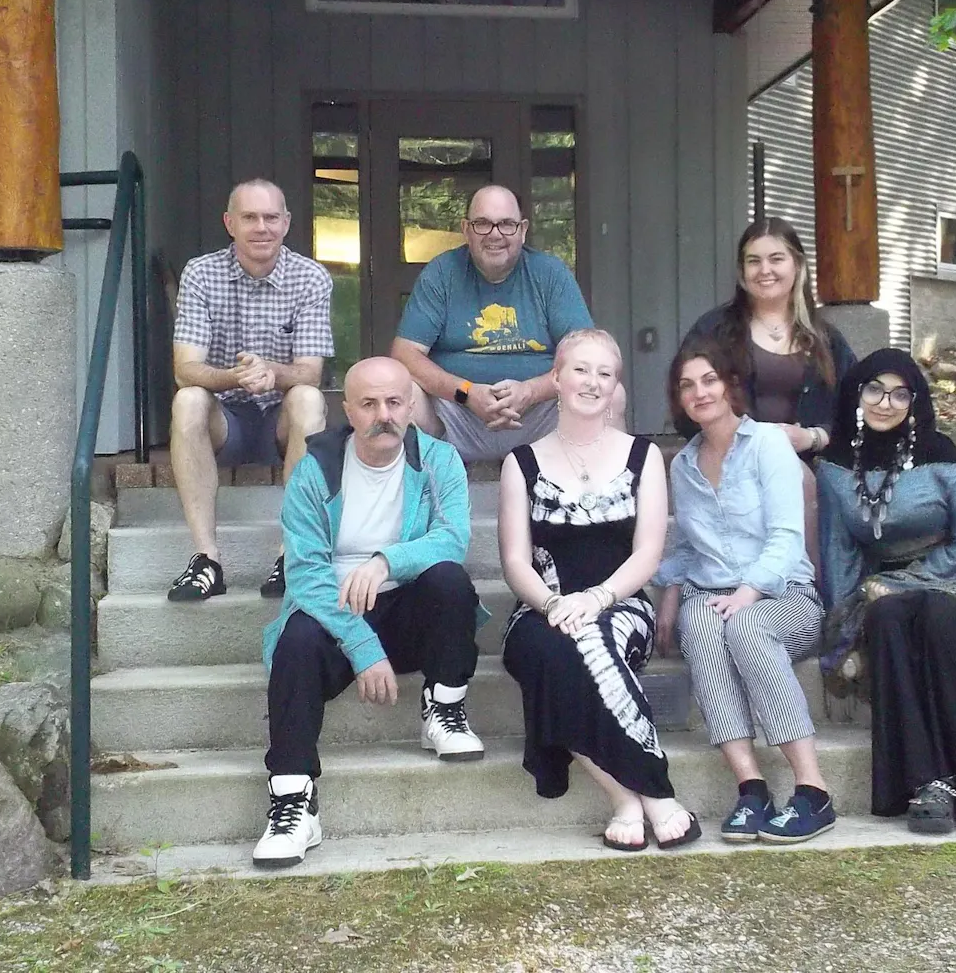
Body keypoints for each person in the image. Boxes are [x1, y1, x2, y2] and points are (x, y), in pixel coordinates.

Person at [252, 357, 485, 868]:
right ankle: (293, 800)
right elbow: (307, 574)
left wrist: (385, 563)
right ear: (348, 411)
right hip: (334, 611)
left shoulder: (439, 461)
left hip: (407, 610)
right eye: (370, 403)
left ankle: (443, 708)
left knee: (449, 581)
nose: (385, 414)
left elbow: (453, 539)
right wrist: (362, 646)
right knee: (295, 643)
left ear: (412, 405)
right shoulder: (315, 470)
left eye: (395, 402)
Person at [498, 329, 698, 851]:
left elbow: (648, 554)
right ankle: (640, 794)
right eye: (580, 370)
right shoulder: (520, 462)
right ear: (557, 380)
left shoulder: (645, 456)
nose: (592, 382)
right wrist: (552, 603)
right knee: (550, 648)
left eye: (604, 374)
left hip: (622, 602)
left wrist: (597, 599)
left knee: (592, 639)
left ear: (615, 389)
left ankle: (635, 797)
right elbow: (515, 560)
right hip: (542, 607)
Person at [815, 348, 956, 836]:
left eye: (900, 393)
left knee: (936, 614)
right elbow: (839, 549)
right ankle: (925, 781)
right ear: (856, 394)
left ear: (914, 400)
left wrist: (905, 581)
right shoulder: (834, 465)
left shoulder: (939, 453)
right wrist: (846, 618)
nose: (886, 403)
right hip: (884, 591)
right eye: (874, 390)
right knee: (887, 619)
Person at [654, 339, 837, 844]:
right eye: (687, 385)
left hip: (785, 595)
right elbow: (691, 545)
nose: (699, 392)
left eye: (709, 380)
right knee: (701, 623)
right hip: (715, 596)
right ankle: (751, 788)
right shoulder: (683, 465)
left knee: (746, 625)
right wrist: (670, 588)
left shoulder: (768, 445)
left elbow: (786, 536)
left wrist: (750, 591)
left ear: (730, 386)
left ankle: (813, 789)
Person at [168, 179, 332, 603]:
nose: (262, 227)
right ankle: (206, 558)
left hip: (282, 421)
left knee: (309, 398)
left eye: (271, 217)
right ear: (229, 223)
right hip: (228, 421)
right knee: (187, 400)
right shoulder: (201, 273)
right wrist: (237, 377)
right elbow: (185, 369)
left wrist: (270, 372)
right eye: (250, 217)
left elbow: (311, 372)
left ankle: (289, 555)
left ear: (286, 223)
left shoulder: (310, 277)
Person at [391, 184, 620, 464]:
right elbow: (405, 354)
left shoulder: (549, 273)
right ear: (466, 229)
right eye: (482, 224)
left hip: (540, 418)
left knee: (612, 395)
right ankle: (413, 502)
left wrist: (530, 391)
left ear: (523, 230)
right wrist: (466, 392)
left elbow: (588, 355)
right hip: (456, 417)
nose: (495, 234)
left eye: (507, 224)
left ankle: (604, 499)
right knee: (398, 391)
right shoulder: (442, 273)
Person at [679, 218, 855, 567]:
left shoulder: (826, 339)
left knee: (801, 476)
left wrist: (813, 437)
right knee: (792, 475)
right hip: (730, 462)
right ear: (742, 270)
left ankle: (814, 592)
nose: (765, 270)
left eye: (777, 258)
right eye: (753, 260)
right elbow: (684, 399)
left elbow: (857, 414)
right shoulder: (713, 331)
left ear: (797, 265)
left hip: (810, 461)